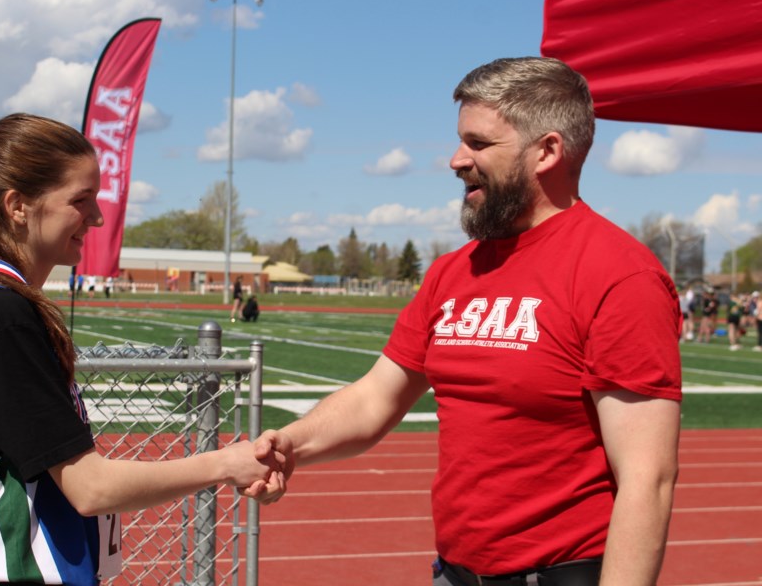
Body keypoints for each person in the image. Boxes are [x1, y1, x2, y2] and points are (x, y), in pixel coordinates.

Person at [250, 58, 682, 586]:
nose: (456, 160)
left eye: (478, 144)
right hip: (454, 574)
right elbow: (374, 399)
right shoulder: (455, 270)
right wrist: (291, 445)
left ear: (547, 150)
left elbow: (648, 478)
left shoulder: (620, 275)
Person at [0, 113, 283, 586]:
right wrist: (224, 463)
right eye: (81, 200)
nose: (96, 217)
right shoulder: (0, 315)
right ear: (18, 206)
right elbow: (90, 488)